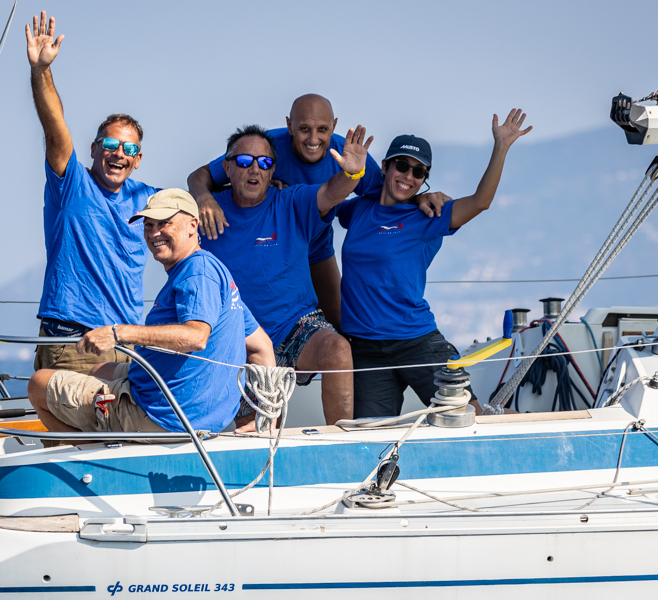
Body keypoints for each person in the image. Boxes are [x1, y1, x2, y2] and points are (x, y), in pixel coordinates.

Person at [187, 94, 447, 331]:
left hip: (318, 247)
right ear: (289, 126)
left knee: (339, 322)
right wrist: (204, 197)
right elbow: (201, 175)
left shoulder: (347, 155)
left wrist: (419, 196)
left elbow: (391, 191)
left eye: (322, 129)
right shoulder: (265, 151)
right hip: (277, 249)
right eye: (304, 129)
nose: (313, 139)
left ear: (333, 126)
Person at [28, 189, 275, 435]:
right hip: (197, 413)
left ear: (192, 225)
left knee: (38, 384)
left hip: (160, 415)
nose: (154, 233)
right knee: (99, 370)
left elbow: (196, 337)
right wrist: (269, 416)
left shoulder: (197, 272)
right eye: (148, 225)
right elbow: (261, 346)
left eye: (164, 223)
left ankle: (101, 456)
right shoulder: (214, 271)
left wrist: (118, 333)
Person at [339, 109, 532, 418]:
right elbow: (327, 188)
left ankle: (533, 428)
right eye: (402, 166)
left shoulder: (428, 216)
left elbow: (481, 201)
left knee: (468, 417)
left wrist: (501, 146)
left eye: (419, 173)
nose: (408, 176)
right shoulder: (357, 211)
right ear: (385, 167)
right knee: (372, 434)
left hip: (416, 341)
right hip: (365, 348)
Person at [199, 124, 372, 428]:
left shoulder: (291, 201)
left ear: (272, 169)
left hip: (294, 325)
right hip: (240, 341)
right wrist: (200, 194)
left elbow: (332, 192)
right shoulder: (205, 212)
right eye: (244, 161)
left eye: (264, 162)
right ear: (227, 168)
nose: (255, 169)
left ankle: (344, 443)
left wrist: (352, 174)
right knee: (259, 439)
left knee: (337, 350)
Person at [26, 11, 158, 374]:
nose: (119, 154)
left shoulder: (148, 198)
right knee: (79, 431)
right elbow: (56, 128)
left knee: (119, 432)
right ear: (94, 149)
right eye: (111, 144)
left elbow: (201, 202)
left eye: (129, 149)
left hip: (126, 345)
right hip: (73, 342)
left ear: (138, 159)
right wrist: (41, 71)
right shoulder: (72, 184)